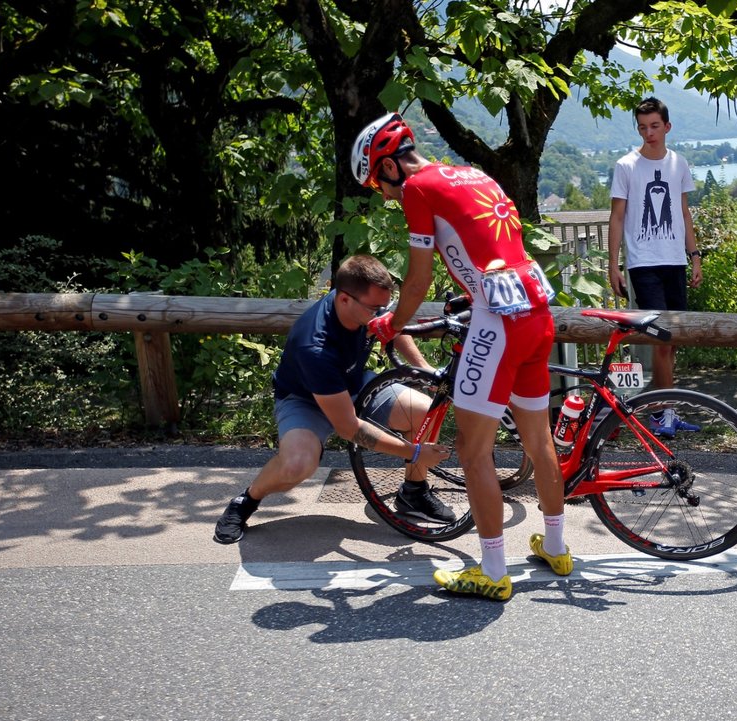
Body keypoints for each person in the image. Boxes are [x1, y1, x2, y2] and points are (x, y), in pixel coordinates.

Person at [351, 111, 572, 601]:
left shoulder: (416, 189)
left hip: (499, 323)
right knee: (539, 441)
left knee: (474, 453)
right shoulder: (472, 173)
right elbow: (489, 247)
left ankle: (492, 571)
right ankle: (556, 546)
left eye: (377, 183)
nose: (384, 196)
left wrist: (393, 322)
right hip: (536, 312)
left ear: (389, 167)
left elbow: (418, 279)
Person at [212, 254, 453, 544]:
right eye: (376, 308)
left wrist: (423, 371)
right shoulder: (314, 346)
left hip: (351, 384)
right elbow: (349, 429)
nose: (382, 313)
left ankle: (413, 491)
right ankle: (246, 500)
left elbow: (393, 326)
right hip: (305, 400)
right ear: (343, 300)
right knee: (298, 464)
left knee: (424, 411)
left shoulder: (361, 303)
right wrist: (413, 452)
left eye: (386, 305)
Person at [607, 97, 703, 437]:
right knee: (662, 342)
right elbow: (617, 217)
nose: (649, 133)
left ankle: (663, 410)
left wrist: (694, 255)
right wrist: (613, 265)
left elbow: (684, 212)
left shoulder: (679, 163)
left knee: (672, 341)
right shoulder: (626, 166)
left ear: (667, 127)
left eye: (655, 126)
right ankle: (663, 413)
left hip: (675, 261)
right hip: (643, 263)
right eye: (643, 127)